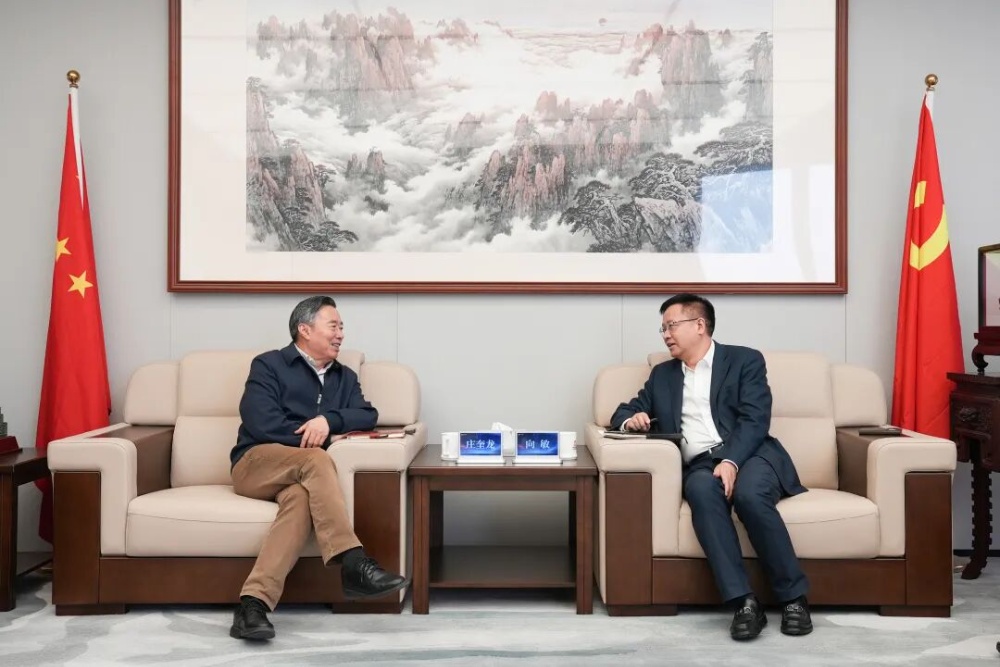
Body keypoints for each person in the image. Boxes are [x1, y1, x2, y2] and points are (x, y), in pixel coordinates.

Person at [611, 293, 812, 641]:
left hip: (752, 454)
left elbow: (755, 419)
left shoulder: (744, 360)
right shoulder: (663, 375)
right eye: (663, 329)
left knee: (749, 496)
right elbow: (622, 412)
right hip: (700, 465)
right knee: (701, 491)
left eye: (671, 326)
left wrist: (731, 460)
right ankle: (744, 602)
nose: (665, 335)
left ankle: (794, 599)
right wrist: (633, 420)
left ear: (699, 325)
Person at [228, 295, 409, 640]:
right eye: (333, 326)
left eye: (342, 327)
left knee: (300, 501)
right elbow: (260, 422)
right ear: (305, 329)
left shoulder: (345, 376)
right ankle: (353, 562)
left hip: (301, 475)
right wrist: (317, 439)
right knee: (316, 458)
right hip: (256, 462)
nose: (341, 334)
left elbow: (367, 415)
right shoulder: (269, 365)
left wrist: (328, 421)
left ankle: (252, 606)